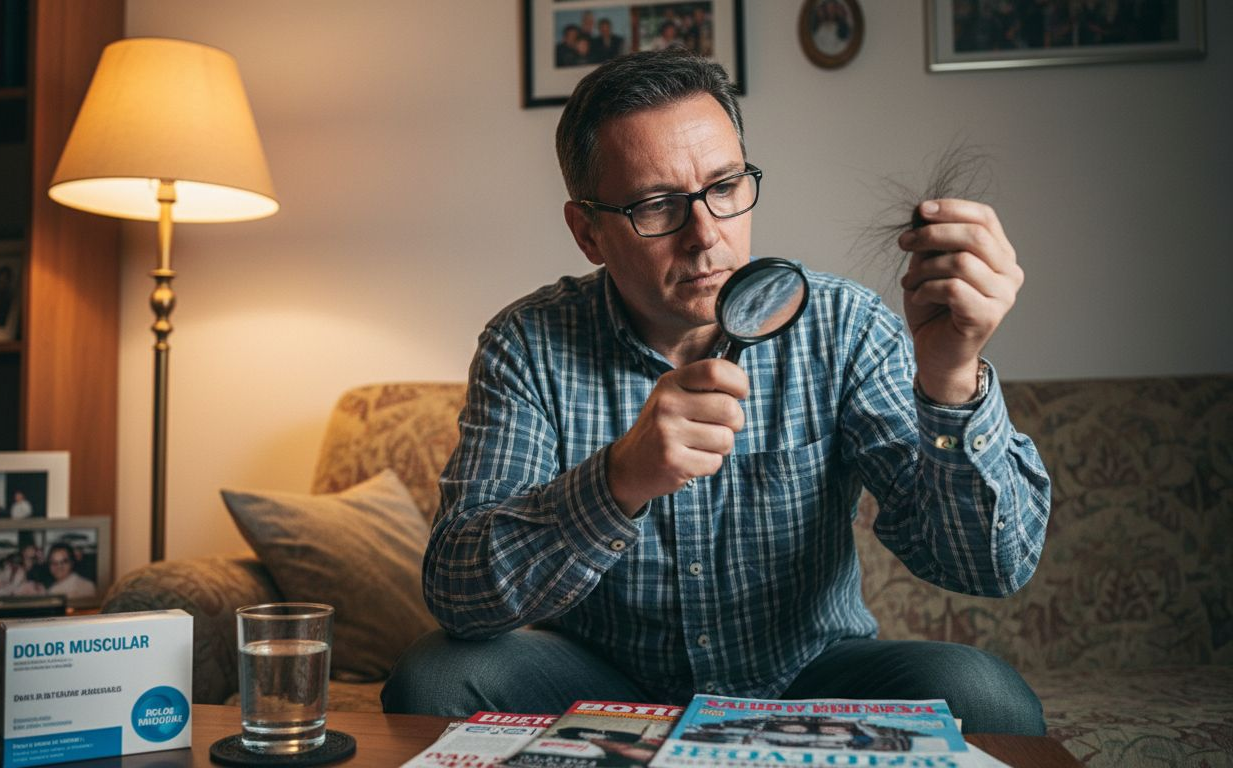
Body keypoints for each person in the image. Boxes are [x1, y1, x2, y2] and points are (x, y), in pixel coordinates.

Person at [382, 48, 1050, 735]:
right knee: (434, 676)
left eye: (725, 187)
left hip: (806, 676)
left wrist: (949, 376)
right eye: (656, 205)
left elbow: (989, 567)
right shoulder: (527, 345)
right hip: (600, 682)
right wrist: (618, 480)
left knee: (989, 697)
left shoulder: (842, 326)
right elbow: (458, 595)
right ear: (588, 232)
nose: (706, 237)